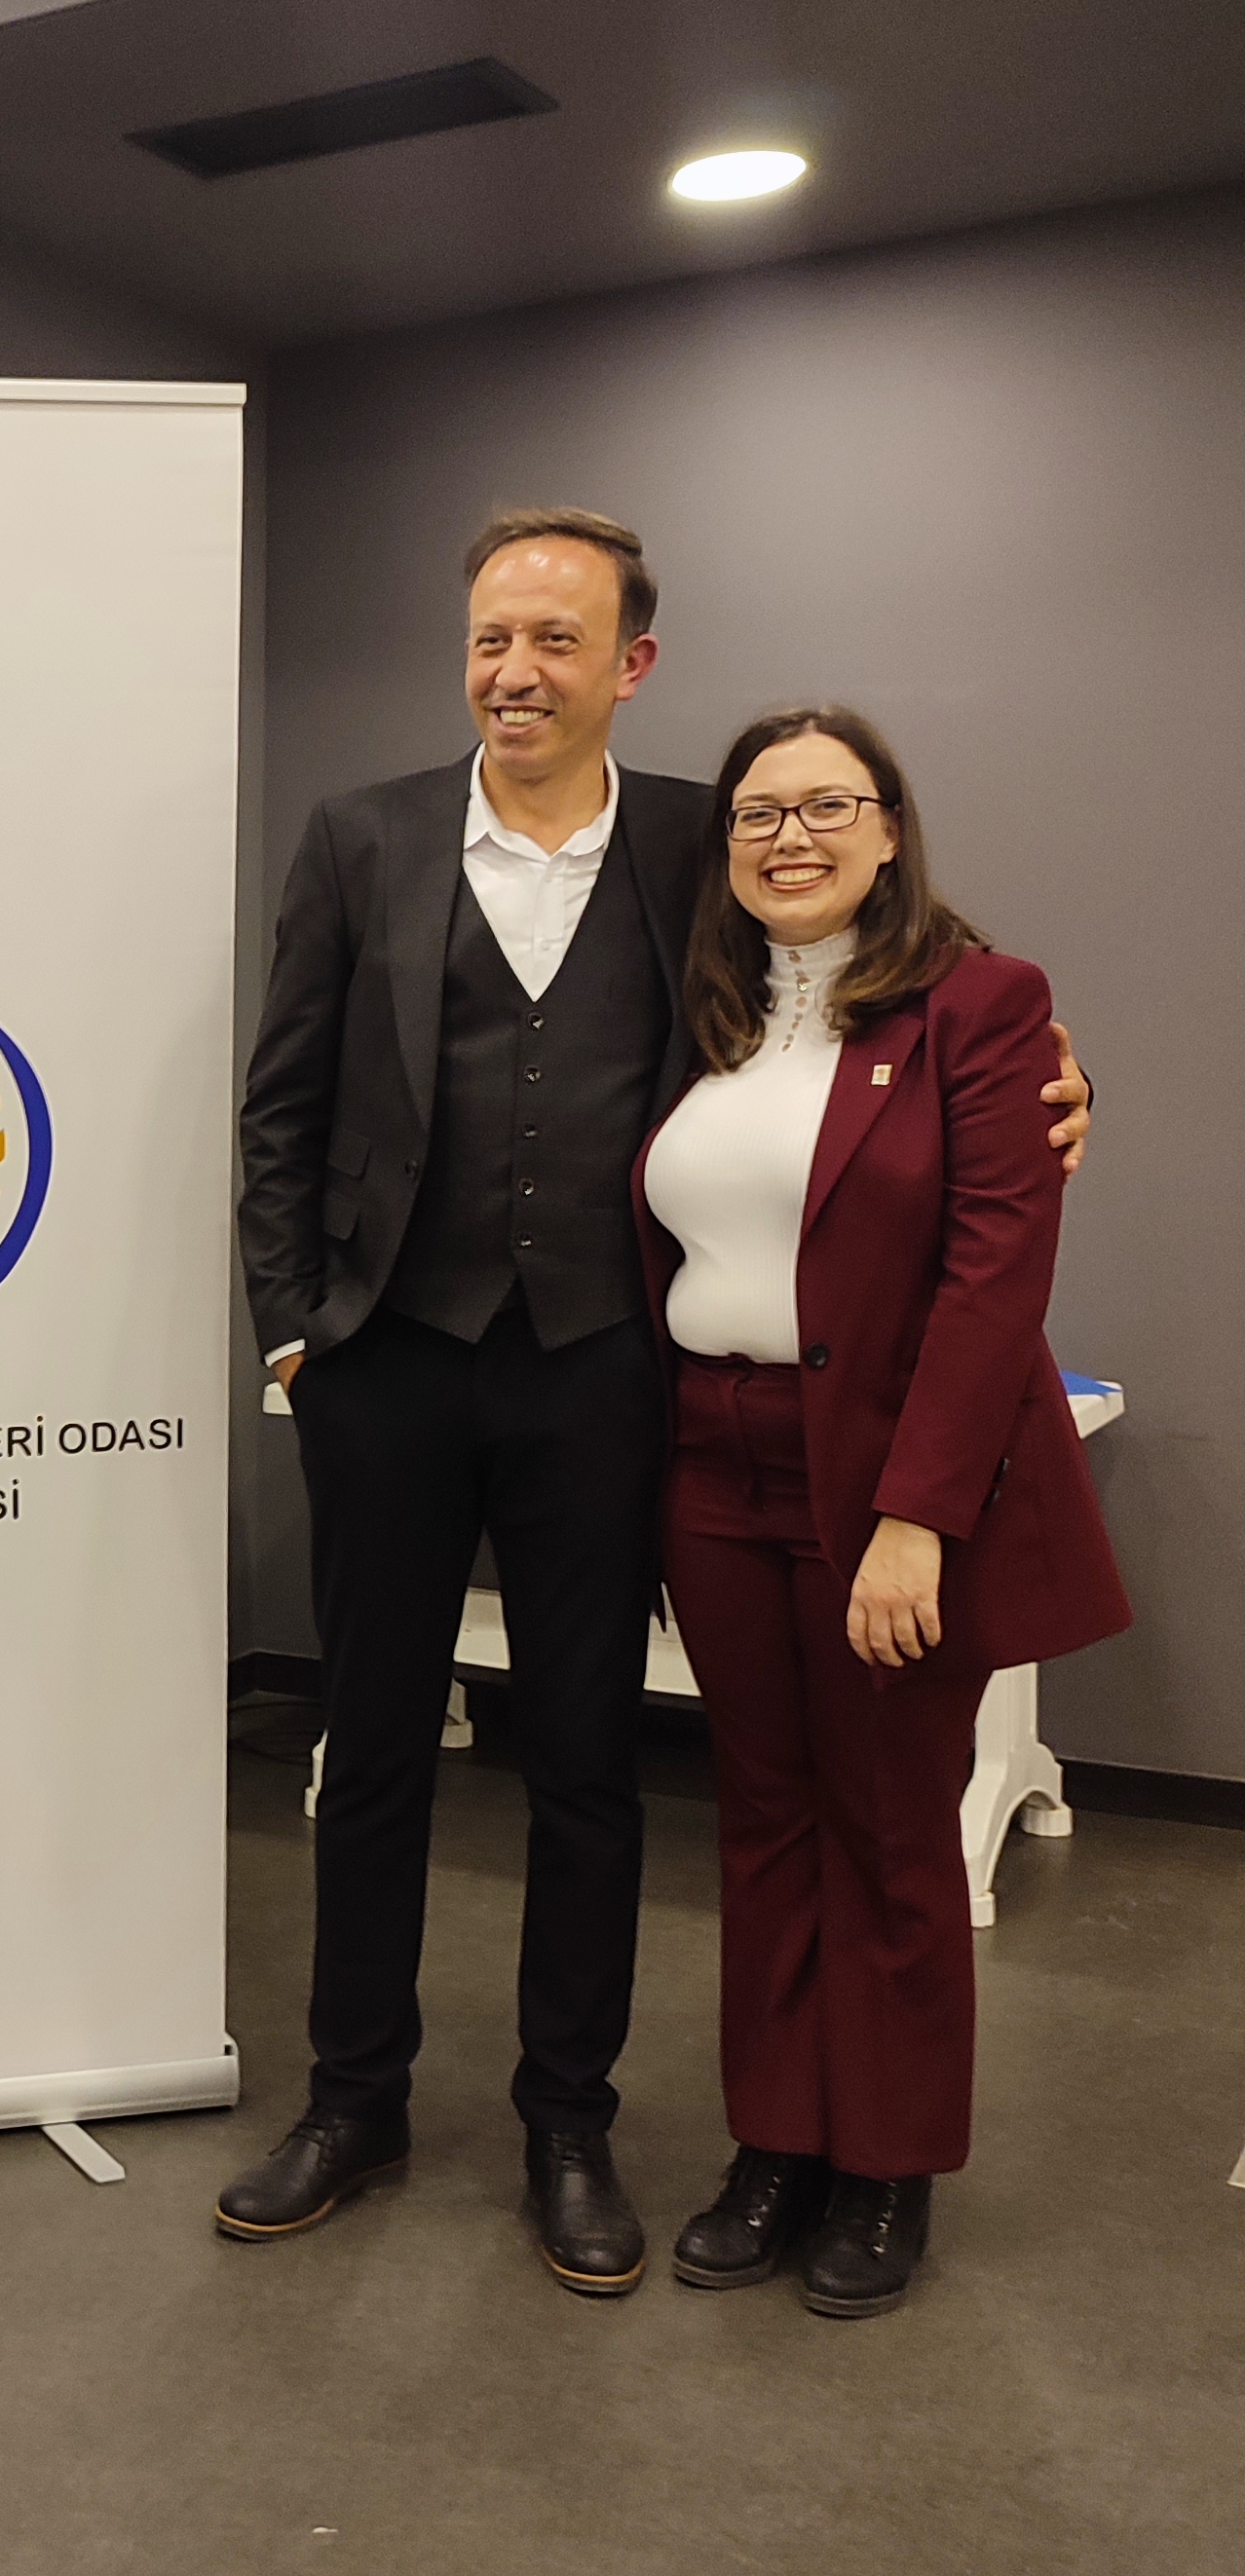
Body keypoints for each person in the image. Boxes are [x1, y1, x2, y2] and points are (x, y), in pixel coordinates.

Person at [224, 511, 1092, 2295]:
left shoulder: (709, 836)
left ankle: (570, 2123)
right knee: (370, 1747)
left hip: (608, 1378)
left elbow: (900, 970)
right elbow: (282, 1106)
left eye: (556, 640)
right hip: (389, 1371)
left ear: (632, 663)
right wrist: (297, 1332)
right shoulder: (362, 836)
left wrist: (1066, 1081)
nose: (514, 671)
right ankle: (352, 2098)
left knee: (587, 1762)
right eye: (490, 637)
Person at [640, 708, 1127, 2315]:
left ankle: (889, 2166)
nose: (790, 835)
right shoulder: (702, 1015)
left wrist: (916, 1517)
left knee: (892, 1823)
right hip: (713, 1460)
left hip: (885, 1471)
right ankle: (778, 2144)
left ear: (891, 827)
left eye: (827, 805)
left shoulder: (982, 1004)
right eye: (758, 812)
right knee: (766, 1815)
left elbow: (996, 1272)